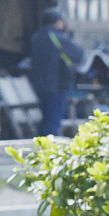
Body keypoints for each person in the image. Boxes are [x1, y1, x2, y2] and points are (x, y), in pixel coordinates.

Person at [27, 8, 80, 138]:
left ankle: (41, 147)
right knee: (53, 120)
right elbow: (78, 54)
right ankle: (50, 150)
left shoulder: (36, 37)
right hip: (56, 85)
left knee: (44, 118)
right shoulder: (57, 37)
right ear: (57, 22)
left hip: (39, 85)